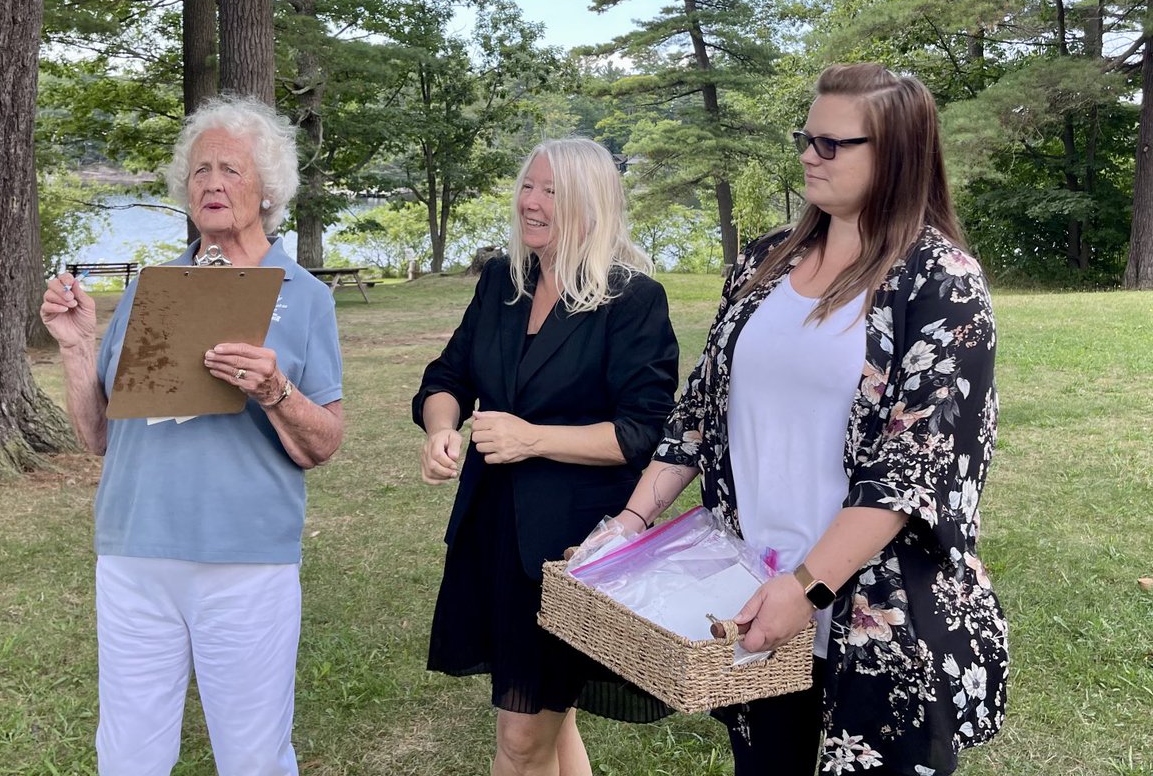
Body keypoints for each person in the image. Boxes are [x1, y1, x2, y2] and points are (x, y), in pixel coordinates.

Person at [613, 63, 1008, 776]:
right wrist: (631, 524)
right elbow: (699, 411)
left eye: (831, 144)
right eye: (806, 138)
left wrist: (807, 588)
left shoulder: (941, 281)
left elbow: (912, 472)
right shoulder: (766, 261)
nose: (807, 156)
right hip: (750, 596)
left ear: (896, 154)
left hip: (877, 611)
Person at [40, 95, 344, 776]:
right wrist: (77, 345)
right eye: (200, 169)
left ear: (268, 189)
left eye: (231, 169)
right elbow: (98, 436)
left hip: (245, 563)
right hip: (133, 555)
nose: (212, 182)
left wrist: (275, 390)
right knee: (128, 756)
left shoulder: (303, 296)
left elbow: (323, 442)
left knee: (253, 757)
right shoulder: (152, 289)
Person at [414, 138, 680, 776]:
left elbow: (641, 433)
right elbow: (447, 377)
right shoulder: (502, 283)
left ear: (590, 204)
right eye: (527, 187)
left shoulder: (633, 300)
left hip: (569, 547)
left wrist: (532, 438)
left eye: (551, 192)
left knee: (521, 739)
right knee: (545, 719)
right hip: (490, 529)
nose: (530, 202)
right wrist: (440, 428)